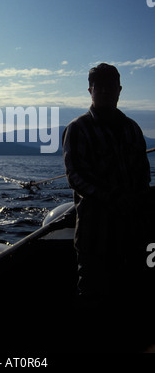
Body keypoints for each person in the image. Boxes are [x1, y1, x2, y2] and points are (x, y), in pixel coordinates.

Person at [62, 63, 151, 304]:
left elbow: (143, 172)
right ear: (89, 90)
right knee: (94, 297)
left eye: (109, 87)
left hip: (131, 232)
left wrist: (138, 197)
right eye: (98, 87)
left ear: (119, 90)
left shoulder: (133, 129)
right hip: (95, 235)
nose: (104, 91)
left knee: (130, 293)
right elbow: (76, 176)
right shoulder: (77, 129)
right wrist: (114, 197)